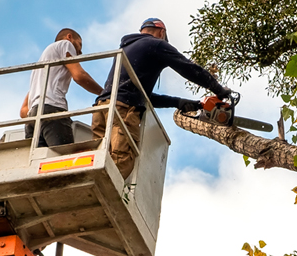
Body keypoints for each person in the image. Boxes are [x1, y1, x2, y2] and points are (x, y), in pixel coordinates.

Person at [92, 18, 231, 179]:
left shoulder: (127, 48)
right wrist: (218, 89)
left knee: (100, 160)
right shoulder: (157, 44)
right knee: (120, 161)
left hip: (102, 108)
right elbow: (188, 68)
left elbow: (143, 96)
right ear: (161, 33)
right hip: (122, 110)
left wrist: (179, 103)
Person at [21, 28, 103, 147]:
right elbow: (79, 76)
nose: (80, 52)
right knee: (63, 161)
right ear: (69, 37)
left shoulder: (39, 69)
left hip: (32, 120)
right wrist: (104, 93)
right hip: (52, 110)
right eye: (79, 45)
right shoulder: (65, 44)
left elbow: (24, 111)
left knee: (42, 163)